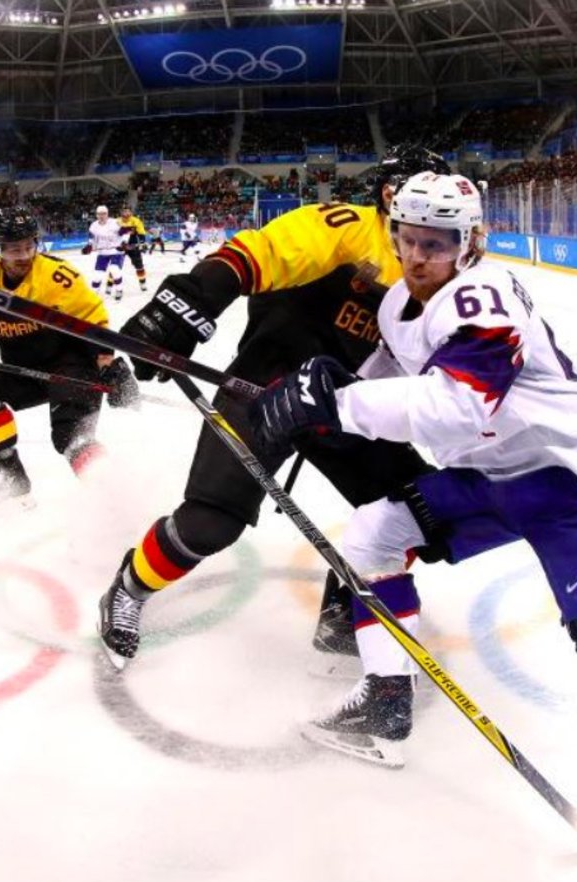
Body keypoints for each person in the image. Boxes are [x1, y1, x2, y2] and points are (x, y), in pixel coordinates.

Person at [250, 172, 577, 878]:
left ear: (471, 243)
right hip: (489, 479)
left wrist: (336, 404)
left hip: (564, 484)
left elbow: (455, 407)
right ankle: (385, 698)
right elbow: (383, 377)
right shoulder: (403, 301)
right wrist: (320, 391)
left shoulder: (481, 297)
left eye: (436, 242)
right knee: (374, 535)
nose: (417, 254)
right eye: (406, 238)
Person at [96, 144, 452, 674]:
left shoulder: (447, 269)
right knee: (211, 523)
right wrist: (192, 298)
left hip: (349, 409)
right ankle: (128, 586)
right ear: (388, 198)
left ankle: (341, 614)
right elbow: (261, 253)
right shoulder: (346, 228)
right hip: (265, 386)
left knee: (419, 510)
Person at [0, 208, 140, 504]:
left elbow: (93, 318)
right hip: (24, 370)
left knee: (70, 437)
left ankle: (116, 500)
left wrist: (108, 364)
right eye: (15, 249)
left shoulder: (58, 276)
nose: (24, 255)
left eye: (29, 246)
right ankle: (13, 478)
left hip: (71, 365)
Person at [84, 205, 126, 301]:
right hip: (102, 252)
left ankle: (119, 289)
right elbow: (91, 237)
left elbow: (125, 232)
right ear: (96, 215)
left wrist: (124, 242)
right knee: (97, 275)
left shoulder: (115, 222)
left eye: (103, 214)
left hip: (116, 251)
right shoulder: (94, 225)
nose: (101, 216)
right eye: (99, 214)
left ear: (107, 214)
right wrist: (89, 245)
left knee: (114, 269)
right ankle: (94, 294)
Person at [118, 207, 150, 294]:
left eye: (128, 211)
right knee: (116, 267)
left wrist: (143, 243)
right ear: (121, 212)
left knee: (139, 265)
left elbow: (142, 233)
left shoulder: (136, 221)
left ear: (131, 212)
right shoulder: (117, 221)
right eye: (124, 211)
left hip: (133, 246)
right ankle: (112, 286)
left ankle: (142, 283)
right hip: (121, 247)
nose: (126, 213)